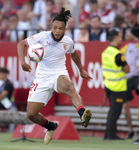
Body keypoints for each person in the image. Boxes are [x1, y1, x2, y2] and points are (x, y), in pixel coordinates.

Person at [17, 7, 92, 145]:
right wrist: (23, 61)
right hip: (42, 77)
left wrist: (81, 70)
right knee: (31, 114)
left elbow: (74, 54)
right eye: (55, 28)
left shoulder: (68, 42)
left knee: (69, 87)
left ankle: (83, 114)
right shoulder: (42, 37)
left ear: (65, 29)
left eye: (61, 29)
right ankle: (50, 126)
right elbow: (22, 44)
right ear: (51, 27)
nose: (58, 31)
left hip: (59, 73)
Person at [102, 29, 130, 140]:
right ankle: (111, 135)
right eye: (119, 36)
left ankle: (107, 134)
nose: (121, 38)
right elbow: (127, 69)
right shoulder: (118, 54)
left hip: (108, 84)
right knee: (115, 111)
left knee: (112, 111)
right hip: (117, 87)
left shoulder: (106, 52)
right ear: (115, 38)